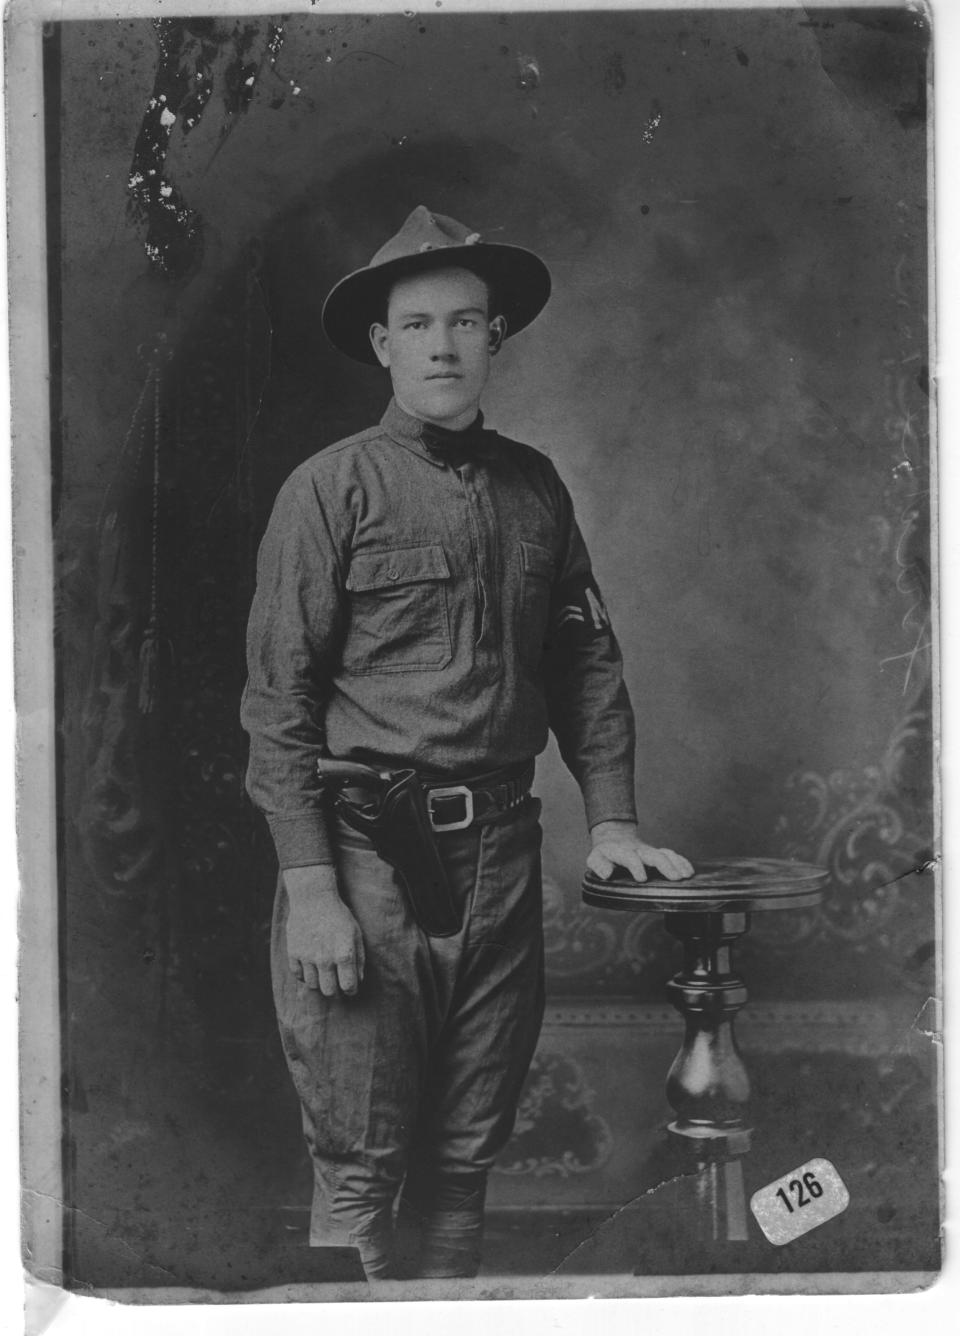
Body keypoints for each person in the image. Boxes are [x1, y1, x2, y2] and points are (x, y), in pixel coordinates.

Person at [241, 206, 693, 1282]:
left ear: (498, 337)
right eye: (417, 323)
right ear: (381, 343)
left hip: (499, 855)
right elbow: (278, 702)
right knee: (361, 1157)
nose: (442, 344)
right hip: (365, 862)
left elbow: (584, 660)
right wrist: (311, 886)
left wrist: (615, 816)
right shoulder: (328, 490)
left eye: (465, 322)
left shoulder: (537, 487)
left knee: (460, 1158)